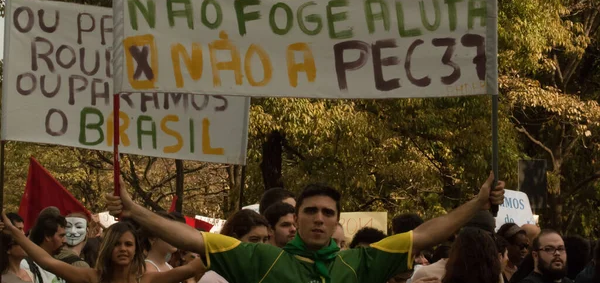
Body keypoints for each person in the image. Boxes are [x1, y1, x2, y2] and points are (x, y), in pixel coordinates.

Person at [106, 172, 505, 283]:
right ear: (296, 219)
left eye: (327, 213)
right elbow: (190, 237)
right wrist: (134, 210)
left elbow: (427, 234)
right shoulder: (258, 258)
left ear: (336, 221)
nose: (318, 218)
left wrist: (476, 202)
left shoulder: (359, 263)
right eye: (310, 211)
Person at [1, 215, 206, 283]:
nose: (123, 249)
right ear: (107, 247)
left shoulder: (147, 280)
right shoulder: (92, 278)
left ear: (136, 249)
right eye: (117, 244)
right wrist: (15, 233)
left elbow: (192, 268)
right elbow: (48, 261)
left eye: (128, 244)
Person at [199, 209, 271, 283]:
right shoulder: (213, 279)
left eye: (265, 239)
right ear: (234, 239)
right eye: (254, 240)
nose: (262, 246)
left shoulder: (264, 274)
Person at [22, 212, 67, 283]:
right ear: (48, 236)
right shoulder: (25, 265)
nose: (65, 241)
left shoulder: (60, 267)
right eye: (61, 236)